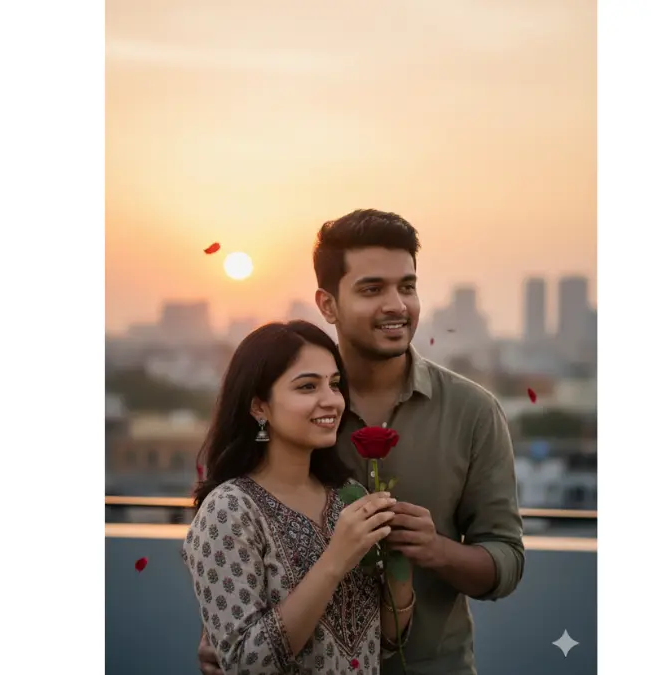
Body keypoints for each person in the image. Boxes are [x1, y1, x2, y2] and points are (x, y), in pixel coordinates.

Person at [199, 209, 525, 674]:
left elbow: (507, 562)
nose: (396, 305)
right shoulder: (299, 414)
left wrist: (435, 549)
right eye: (372, 289)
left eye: (407, 287)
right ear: (328, 304)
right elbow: (240, 536)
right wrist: (230, 630)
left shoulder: (473, 412)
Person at [184, 320, 415, 675]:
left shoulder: (348, 497)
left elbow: (383, 642)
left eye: (334, 384)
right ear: (259, 407)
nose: (331, 400)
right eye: (307, 386)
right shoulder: (229, 510)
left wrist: (401, 562)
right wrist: (335, 559)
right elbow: (245, 664)